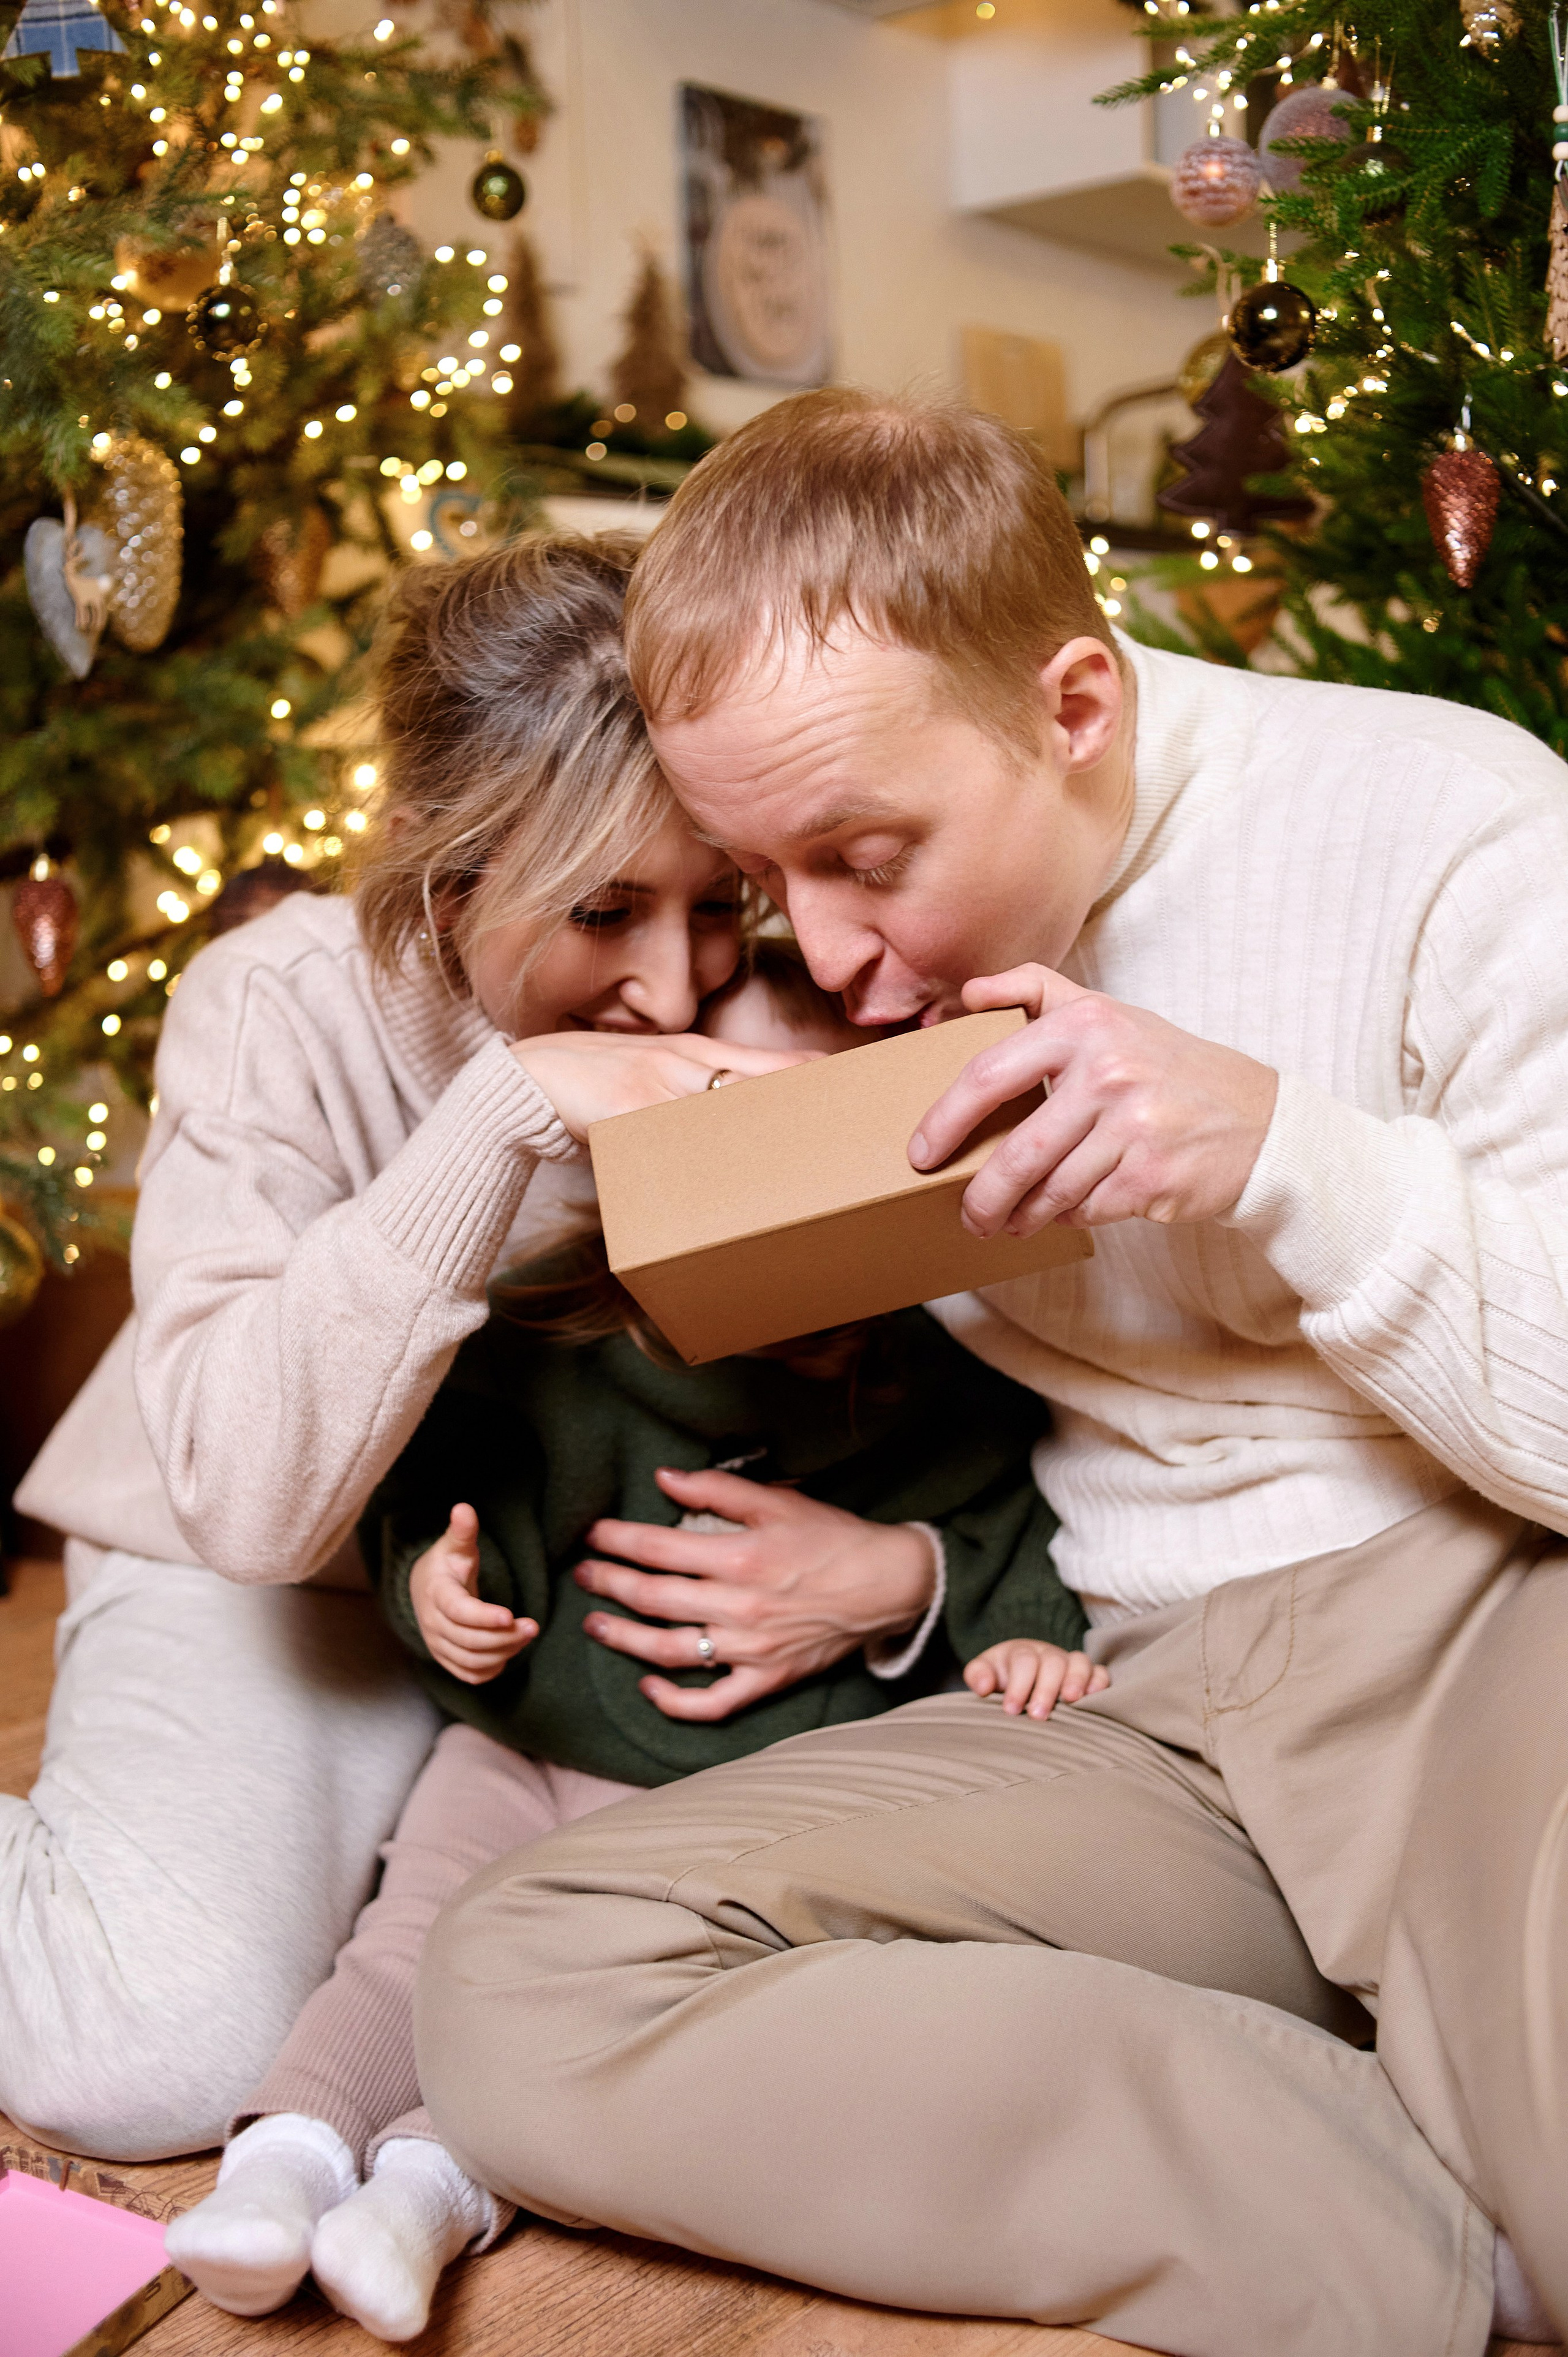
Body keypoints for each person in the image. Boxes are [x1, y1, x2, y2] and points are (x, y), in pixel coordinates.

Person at [415, 393, 1568, 2356]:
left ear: (1076, 709)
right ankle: (1423, 2255)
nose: (835, 956)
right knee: (530, 1977)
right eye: (773, 880)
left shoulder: (1459, 827)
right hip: (1134, 1695)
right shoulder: (830, 993)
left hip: (1478, 1625)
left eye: (869, 857)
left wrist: (1291, 1159)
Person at [0, 534, 940, 2162]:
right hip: (279, 1563)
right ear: (449, 885)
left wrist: (899, 1570)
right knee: (155, 2054)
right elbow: (253, 1507)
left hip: (563, 1597)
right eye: (601, 912)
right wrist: (499, 1120)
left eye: (713, 901)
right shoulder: (272, 1007)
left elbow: (919, 1372)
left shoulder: (779, 993)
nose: (674, 981)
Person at [165, 943, 1132, 2342]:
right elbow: (442, 1485)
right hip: (525, 1741)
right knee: (402, 1945)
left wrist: (996, 1626)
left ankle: (430, 2193)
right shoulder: (553, 1324)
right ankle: (284, 2165)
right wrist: (439, 1585)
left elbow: (1011, 1534)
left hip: (718, 1804)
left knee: (589, 2006)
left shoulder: (930, 1371)